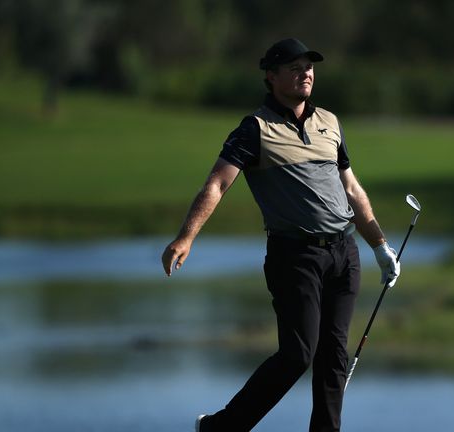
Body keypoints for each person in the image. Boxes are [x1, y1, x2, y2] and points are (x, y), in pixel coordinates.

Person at [161, 38, 401, 432]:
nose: (305, 73)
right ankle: (223, 427)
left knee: (333, 358)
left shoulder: (330, 122)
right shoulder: (254, 128)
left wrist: (379, 245)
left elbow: (352, 190)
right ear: (271, 77)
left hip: (344, 253)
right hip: (296, 257)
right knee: (297, 354)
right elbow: (218, 185)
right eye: (294, 67)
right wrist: (186, 237)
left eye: (309, 66)